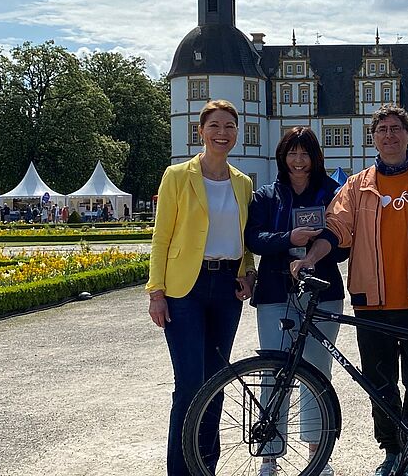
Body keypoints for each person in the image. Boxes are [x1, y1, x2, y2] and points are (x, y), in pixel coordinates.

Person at [291, 104, 408, 476]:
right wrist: (310, 258)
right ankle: (392, 450)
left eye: (396, 128)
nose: (389, 135)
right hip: (372, 304)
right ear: (373, 138)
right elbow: (336, 228)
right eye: (382, 129)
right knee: (380, 385)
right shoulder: (356, 185)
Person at [146, 99, 256, 476]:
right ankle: (180, 470)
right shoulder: (177, 176)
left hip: (226, 288)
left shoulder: (243, 183)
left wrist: (249, 272)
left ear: (237, 133)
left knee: (216, 382)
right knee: (190, 384)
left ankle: (205, 466)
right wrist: (156, 292)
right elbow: (161, 237)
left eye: (229, 126)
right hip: (185, 290)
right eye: (215, 126)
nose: (222, 133)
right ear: (200, 131)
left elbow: (244, 238)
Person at [244, 127, 348, 476]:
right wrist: (289, 237)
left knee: (317, 372)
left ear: (315, 157)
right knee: (273, 371)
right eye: (292, 153)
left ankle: (318, 454)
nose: (299, 161)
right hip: (276, 291)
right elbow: (254, 238)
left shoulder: (332, 193)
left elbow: (344, 247)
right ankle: (269, 455)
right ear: (282, 156)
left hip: (322, 293)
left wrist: (318, 246)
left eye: (305, 153)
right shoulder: (266, 195)